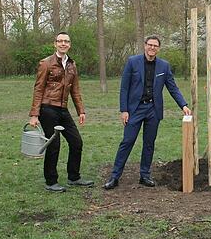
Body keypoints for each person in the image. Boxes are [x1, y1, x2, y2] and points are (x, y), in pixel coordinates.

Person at [103, 36, 191, 190]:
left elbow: (172, 87)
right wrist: (124, 110)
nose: (152, 48)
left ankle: (145, 175)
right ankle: (115, 176)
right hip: (135, 109)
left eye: (155, 46)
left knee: (149, 144)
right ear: (145, 46)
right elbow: (124, 88)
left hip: (153, 110)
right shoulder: (132, 62)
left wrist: (183, 105)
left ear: (159, 48)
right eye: (150, 45)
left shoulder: (164, 66)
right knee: (127, 141)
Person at [28, 32, 94, 192]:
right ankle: (51, 181)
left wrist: (81, 111)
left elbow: (75, 90)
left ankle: (74, 177)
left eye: (66, 41)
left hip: (63, 109)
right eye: (60, 41)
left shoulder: (72, 64)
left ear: (69, 44)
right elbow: (38, 89)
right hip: (47, 108)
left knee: (76, 142)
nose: (63, 44)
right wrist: (34, 114)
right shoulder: (46, 63)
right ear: (55, 44)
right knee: (54, 145)